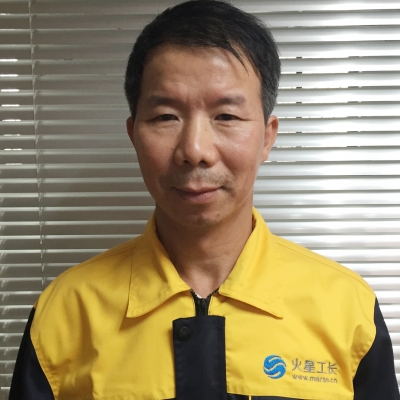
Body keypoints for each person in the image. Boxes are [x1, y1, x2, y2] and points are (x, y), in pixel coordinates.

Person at [9, 1, 399, 399]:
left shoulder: (348, 309)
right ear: (133, 135)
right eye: (165, 116)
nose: (195, 150)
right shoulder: (65, 313)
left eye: (226, 116)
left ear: (267, 137)